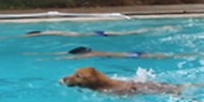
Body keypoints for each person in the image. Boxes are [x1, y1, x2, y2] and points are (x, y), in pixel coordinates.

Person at [25, 46, 194, 60]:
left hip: (132, 57)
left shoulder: (92, 55)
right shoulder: (96, 52)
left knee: (165, 57)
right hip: (132, 54)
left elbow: (63, 58)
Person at [23, 29, 148, 38]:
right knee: (124, 34)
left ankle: (136, 32)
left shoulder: (46, 34)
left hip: (96, 35)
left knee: (123, 34)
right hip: (95, 33)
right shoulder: (50, 32)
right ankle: (135, 32)